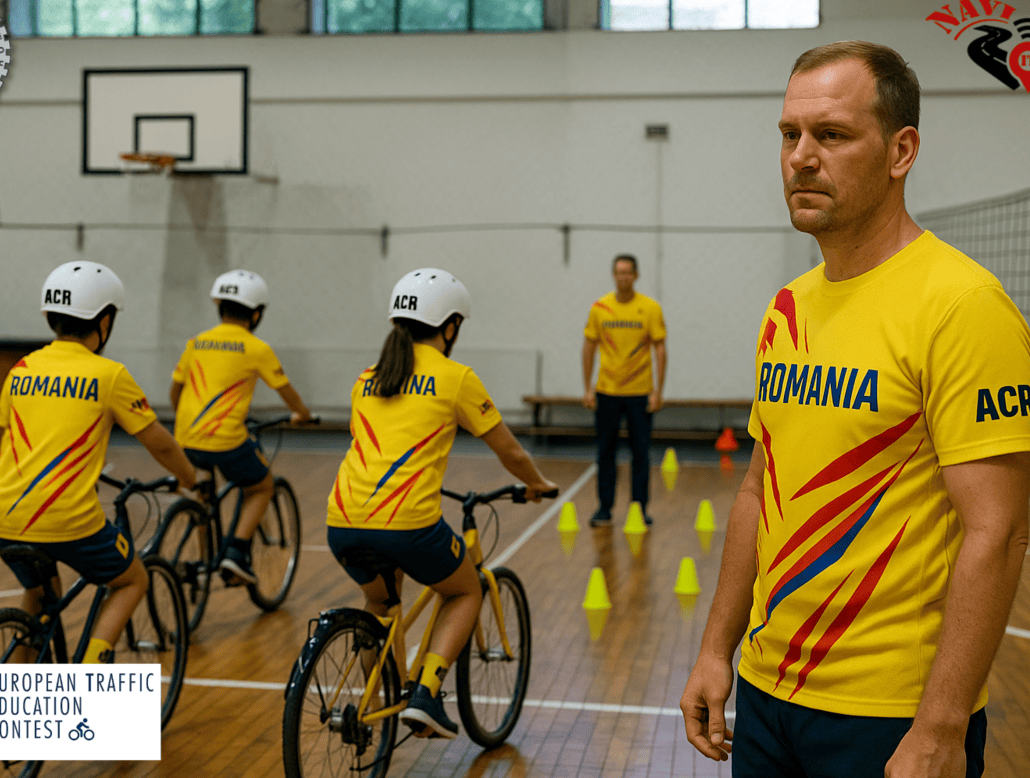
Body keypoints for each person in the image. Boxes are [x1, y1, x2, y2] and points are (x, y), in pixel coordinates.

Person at [679, 41, 1030, 778]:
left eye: (832, 135)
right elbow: (757, 490)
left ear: (901, 151)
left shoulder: (964, 306)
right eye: (789, 134)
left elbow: (998, 533)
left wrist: (941, 725)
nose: (801, 158)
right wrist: (717, 650)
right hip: (766, 694)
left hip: (892, 716)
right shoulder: (787, 308)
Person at [326, 267, 558, 739]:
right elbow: (511, 452)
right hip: (406, 523)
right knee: (466, 590)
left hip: (343, 519)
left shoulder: (368, 378)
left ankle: (376, 701)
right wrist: (537, 483)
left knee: (380, 601)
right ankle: (426, 694)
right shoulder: (455, 378)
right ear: (450, 326)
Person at [0, 260, 197, 664]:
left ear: (50, 316)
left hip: (4, 519)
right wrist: (190, 478)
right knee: (132, 580)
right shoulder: (109, 375)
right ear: (105, 321)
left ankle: (13, 685)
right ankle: (89, 672)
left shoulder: (21, 369)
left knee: (40, 599)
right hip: (67, 522)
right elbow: (160, 444)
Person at [170, 269, 312, 585]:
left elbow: (175, 391)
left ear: (220, 307)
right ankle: (235, 553)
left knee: (204, 498)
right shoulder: (256, 348)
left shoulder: (197, 343)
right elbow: (286, 391)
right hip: (226, 441)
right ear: (256, 314)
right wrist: (302, 414)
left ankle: (205, 565)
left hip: (187, 438)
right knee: (261, 486)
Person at [581, 254, 667, 527]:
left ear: (636, 275)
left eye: (628, 272)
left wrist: (658, 391)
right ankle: (604, 508)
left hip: (640, 393)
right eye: (619, 272)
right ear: (613, 275)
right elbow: (589, 347)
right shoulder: (600, 308)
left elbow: (660, 349)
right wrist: (587, 388)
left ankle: (639, 508)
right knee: (605, 453)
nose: (623, 277)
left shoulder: (650, 308)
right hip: (606, 392)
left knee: (640, 454)